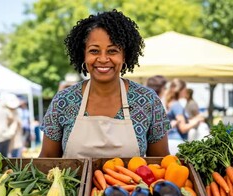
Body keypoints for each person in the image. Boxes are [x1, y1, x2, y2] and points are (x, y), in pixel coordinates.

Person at [39, 10, 170, 158]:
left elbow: (161, 162)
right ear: (83, 55)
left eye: (112, 51)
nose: (102, 59)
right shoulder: (63, 101)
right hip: (74, 182)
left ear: (124, 55)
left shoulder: (148, 100)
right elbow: (47, 159)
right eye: (94, 51)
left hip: (131, 182)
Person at [165, 79, 204, 153]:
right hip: (177, 142)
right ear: (181, 90)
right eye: (185, 89)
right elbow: (183, 128)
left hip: (170, 140)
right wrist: (197, 120)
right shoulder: (177, 105)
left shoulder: (170, 103)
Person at [0, 93, 23, 158]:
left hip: (16, 136)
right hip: (8, 137)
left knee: (16, 154)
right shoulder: (5, 112)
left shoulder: (16, 111)